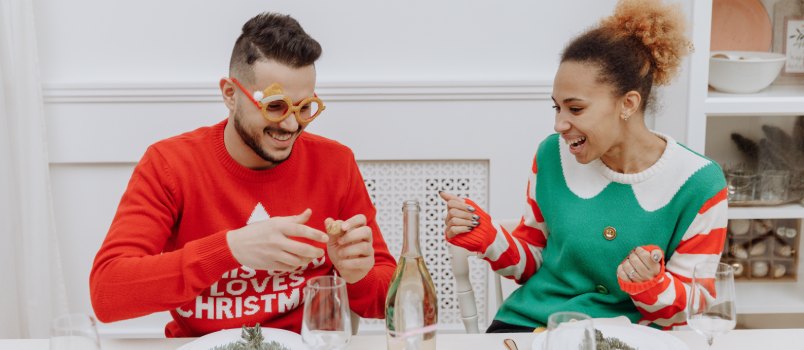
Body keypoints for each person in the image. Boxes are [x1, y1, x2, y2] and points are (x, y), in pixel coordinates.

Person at [89, 12, 396, 337]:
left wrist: (357, 275)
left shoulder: (336, 163)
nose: (292, 126)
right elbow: (108, 293)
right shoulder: (170, 164)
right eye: (275, 106)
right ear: (230, 94)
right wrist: (230, 249)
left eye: (305, 108)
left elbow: (385, 300)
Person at [440, 0, 727, 332]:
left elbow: (689, 306)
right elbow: (533, 261)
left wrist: (651, 283)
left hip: (627, 338)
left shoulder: (699, 183)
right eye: (557, 107)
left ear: (628, 104)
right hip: (532, 325)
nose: (560, 124)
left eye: (575, 109)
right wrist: (487, 236)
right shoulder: (551, 156)